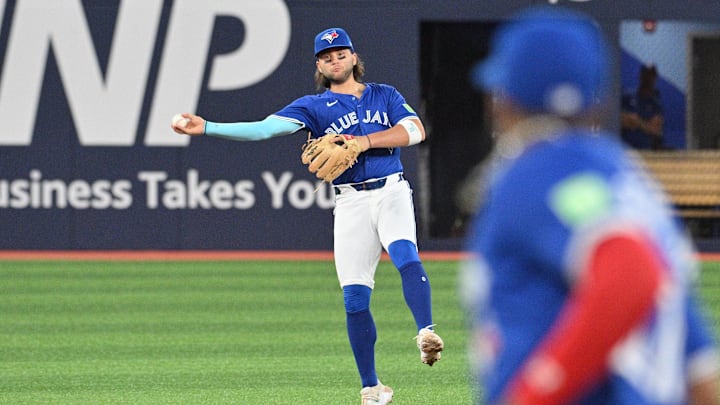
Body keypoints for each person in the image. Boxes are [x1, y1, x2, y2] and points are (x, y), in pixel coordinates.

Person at [461, 6, 720, 405]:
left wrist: (532, 394)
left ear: (504, 99)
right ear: (594, 101)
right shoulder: (623, 176)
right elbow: (700, 366)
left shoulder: (537, 169)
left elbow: (629, 269)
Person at [171, 27, 443, 405]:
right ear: (319, 64)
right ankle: (371, 388)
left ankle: (426, 332)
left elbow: (414, 131)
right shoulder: (312, 107)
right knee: (354, 297)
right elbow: (264, 130)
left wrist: (364, 141)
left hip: (391, 190)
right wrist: (207, 128)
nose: (335, 59)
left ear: (353, 57)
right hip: (349, 202)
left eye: (340, 53)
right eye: (327, 56)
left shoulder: (385, 95)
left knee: (405, 256)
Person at [621, 64, 664, 149]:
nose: (648, 78)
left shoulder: (655, 104)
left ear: (655, 78)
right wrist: (646, 125)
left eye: (651, 75)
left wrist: (636, 121)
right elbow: (620, 121)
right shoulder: (627, 97)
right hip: (625, 149)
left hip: (645, 151)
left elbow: (656, 130)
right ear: (640, 76)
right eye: (646, 74)